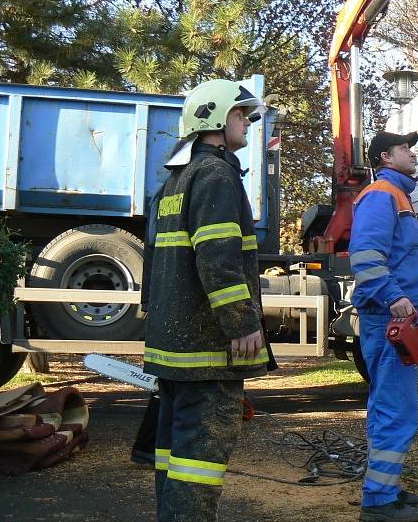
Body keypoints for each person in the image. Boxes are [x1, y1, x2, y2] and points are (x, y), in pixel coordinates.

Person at [143, 79, 271, 521]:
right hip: (206, 350)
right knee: (197, 466)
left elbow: (157, 261)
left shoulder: (176, 179)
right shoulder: (216, 174)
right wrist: (242, 322)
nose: (248, 123)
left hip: (173, 346)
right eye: (241, 115)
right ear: (215, 118)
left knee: (172, 460)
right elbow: (218, 259)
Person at [349, 130, 418, 522]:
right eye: (405, 147)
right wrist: (394, 297)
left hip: (400, 318)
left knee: (396, 408)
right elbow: (366, 257)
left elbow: (401, 265)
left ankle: (388, 490)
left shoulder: (397, 196)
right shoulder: (381, 195)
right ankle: (379, 502)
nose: (412, 152)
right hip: (389, 320)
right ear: (386, 156)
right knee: (394, 409)